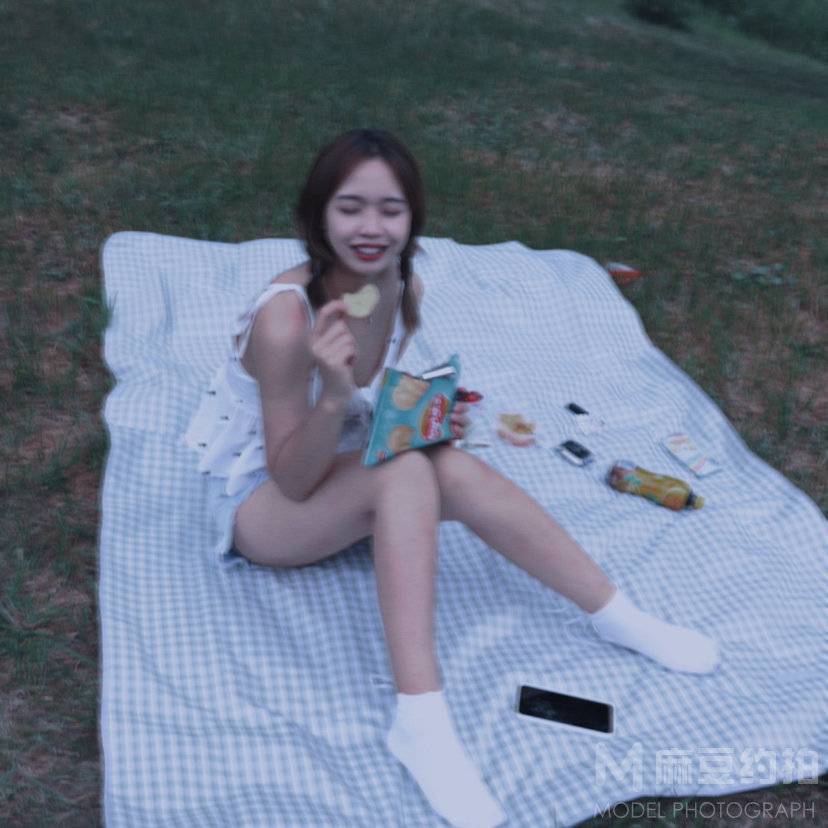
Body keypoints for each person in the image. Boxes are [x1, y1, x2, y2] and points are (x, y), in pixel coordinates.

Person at [184, 128, 720, 828]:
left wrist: (422, 416)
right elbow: (290, 480)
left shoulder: (398, 284)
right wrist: (337, 397)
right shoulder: (285, 322)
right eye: (350, 207)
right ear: (317, 215)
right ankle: (421, 720)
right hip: (260, 501)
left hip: (335, 457)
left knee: (447, 464)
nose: (371, 228)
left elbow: (377, 393)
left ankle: (617, 615)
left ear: (413, 218)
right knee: (406, 472)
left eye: (391, 209)